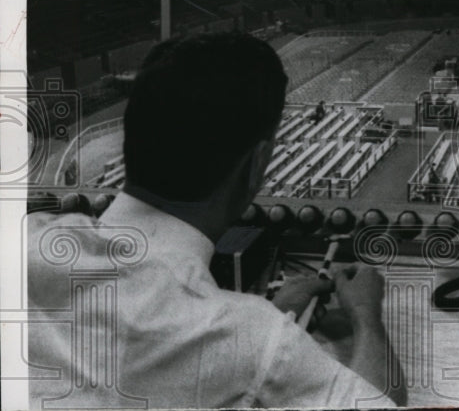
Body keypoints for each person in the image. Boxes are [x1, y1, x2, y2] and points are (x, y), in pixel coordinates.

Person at [26, 34, 406, 408]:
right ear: (257, 163)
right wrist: (366, 314)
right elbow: (379, 404)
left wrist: (274, 315)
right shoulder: (251, 336)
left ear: (132, 140)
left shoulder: (23, 238)